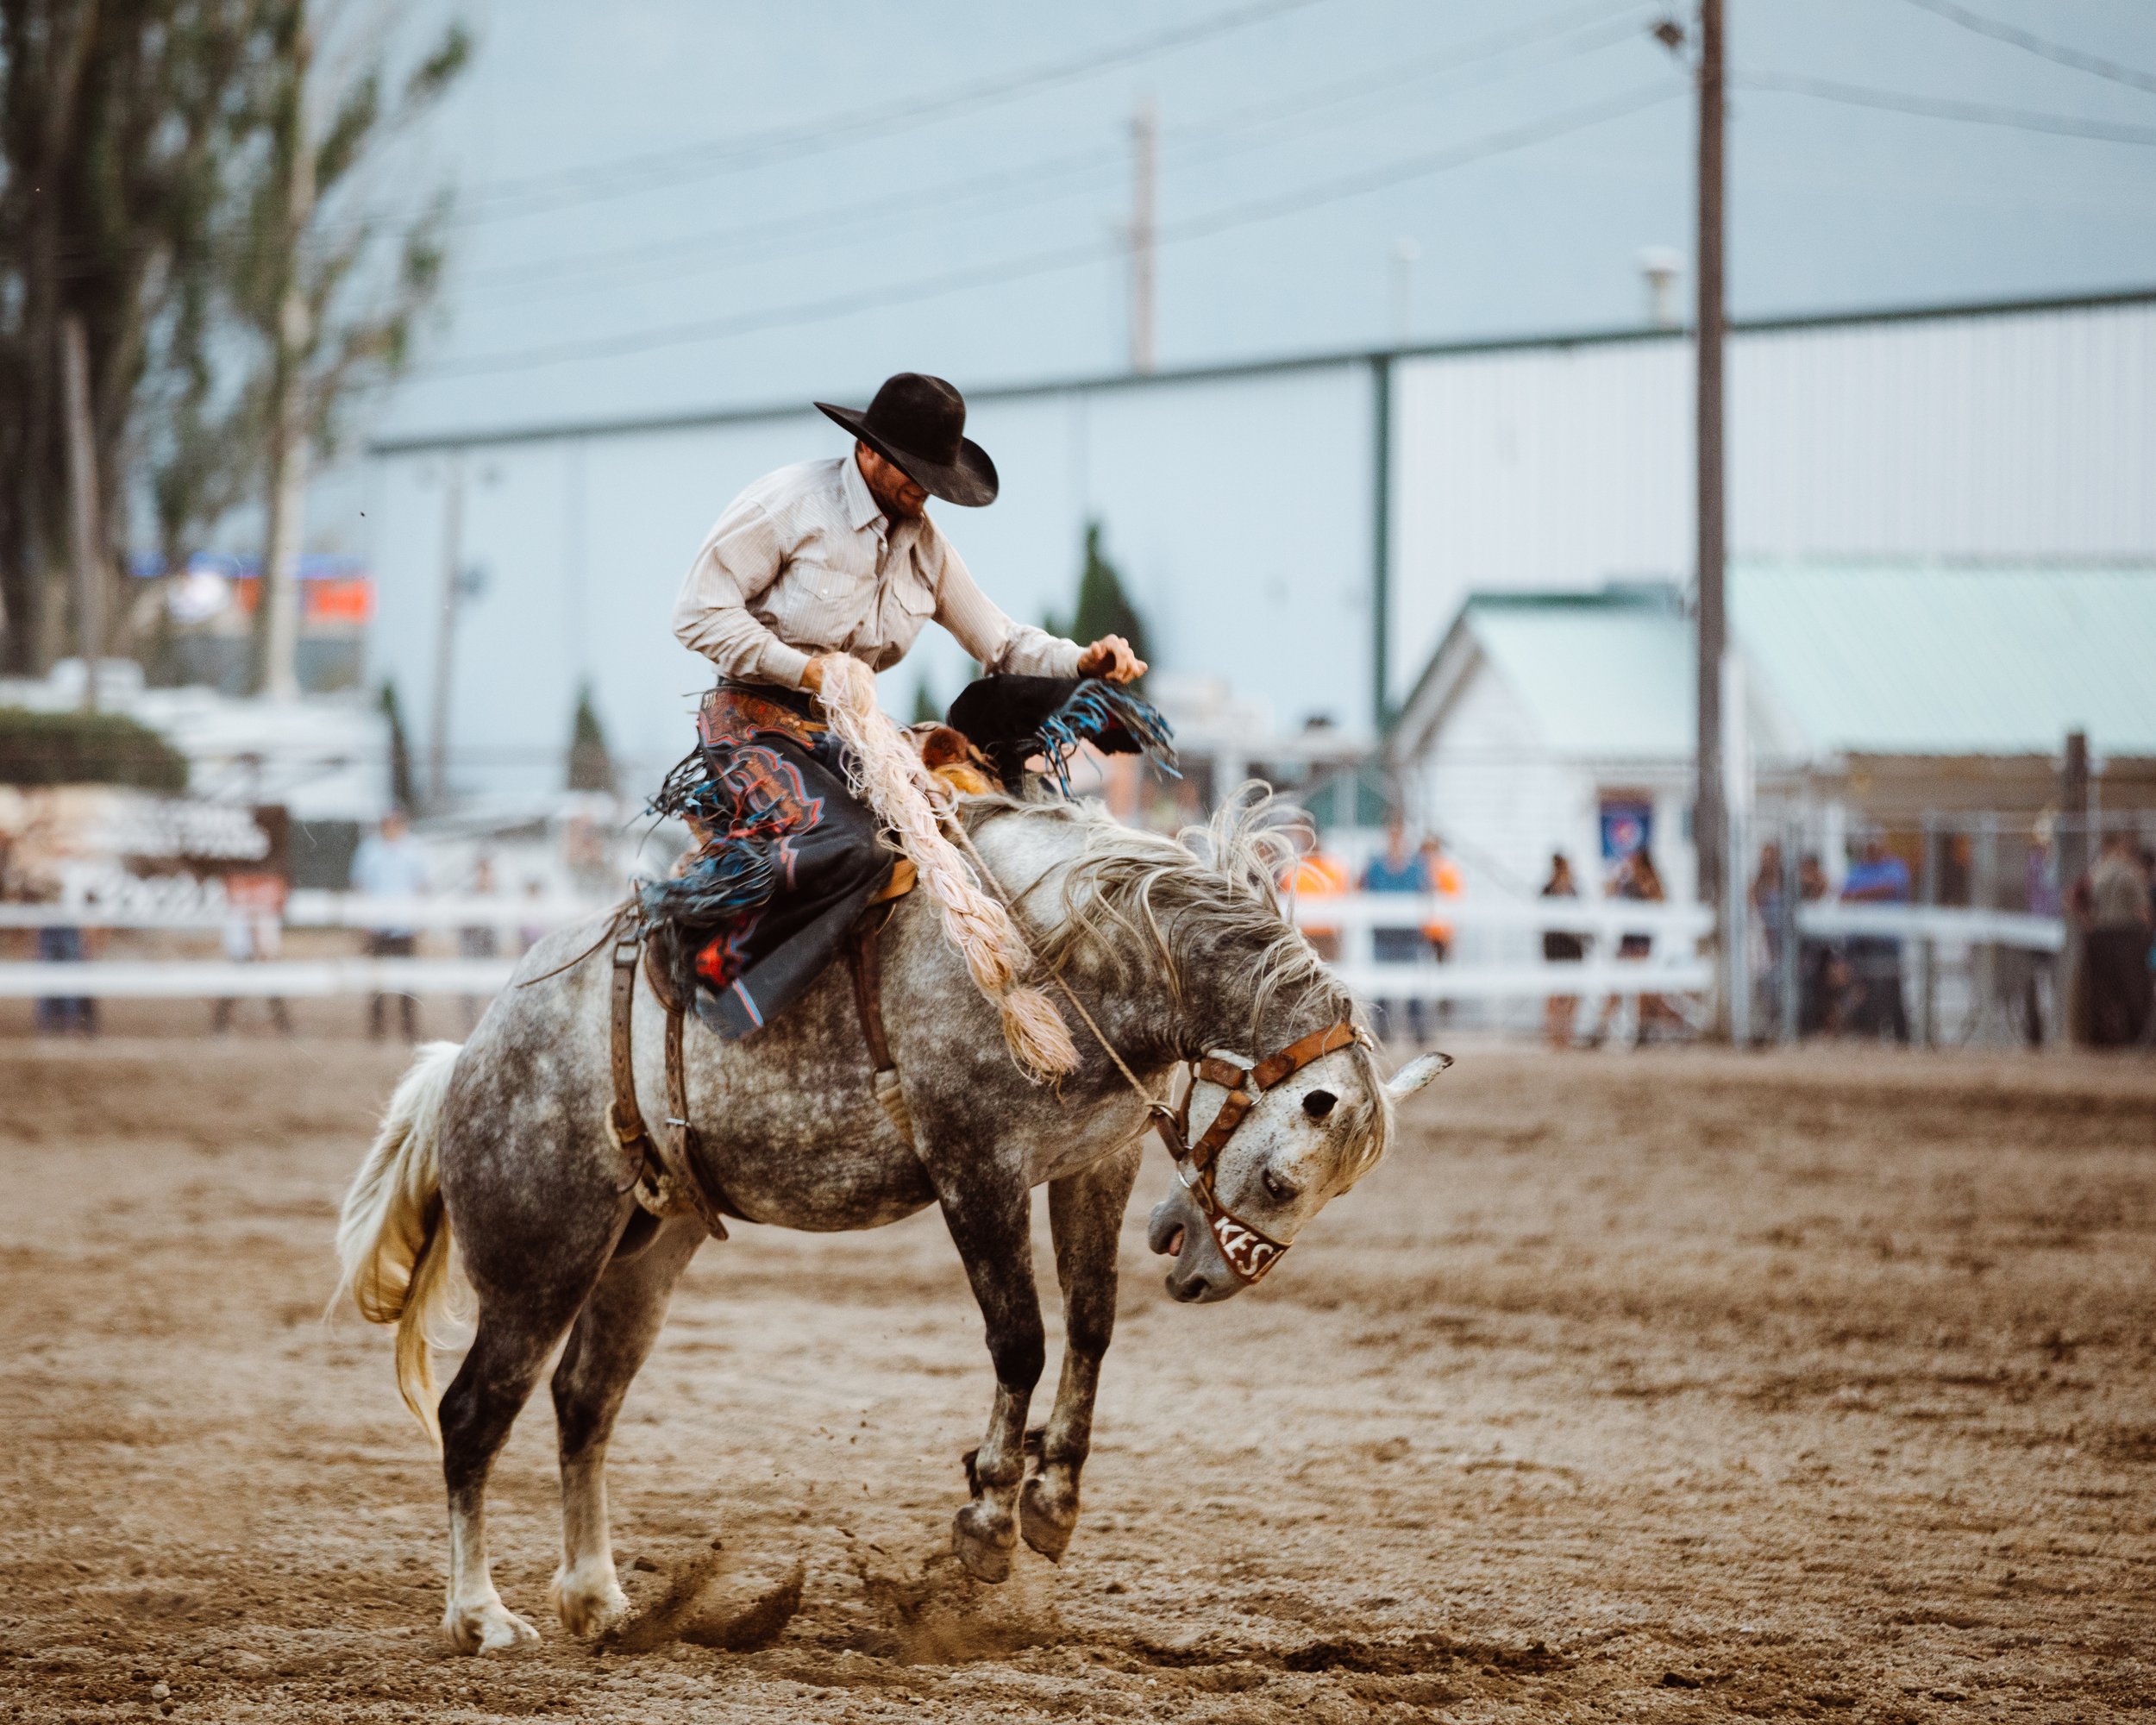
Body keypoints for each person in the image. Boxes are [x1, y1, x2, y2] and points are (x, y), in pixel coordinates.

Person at [670, 372, 1142, 1038]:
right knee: (847, 847)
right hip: (751, 721)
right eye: (915, 472)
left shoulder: (925, 546)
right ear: (869, 453)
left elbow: (999, 639)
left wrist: (1081, 659)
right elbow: (698, 613)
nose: (925, 490)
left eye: (934, 475)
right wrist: (807, 669)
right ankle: (713, 958)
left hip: (849, 733)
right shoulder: (788, 507)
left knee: (959, 832)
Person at [351, 809, 428, 1042]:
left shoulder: (413, 851)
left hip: (405, 927)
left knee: (408, 983)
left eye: (396, 823)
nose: (392, 828)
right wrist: (363, 922)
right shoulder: (369, 851)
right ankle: (377, 1030)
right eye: (388, 823)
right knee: (377, 982)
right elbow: (360, 886)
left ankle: (409, 1030)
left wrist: (419, 920)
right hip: (378, 927)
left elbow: (421, 887)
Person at [1359, 819, 1431, 1045]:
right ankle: (1384, 1030)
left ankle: (1417, 1028)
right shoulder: (1376, 865)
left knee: (1414, 986)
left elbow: (1427, 892)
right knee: (1383, 985)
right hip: (1384, 932)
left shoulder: (1417, 866)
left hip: (1409, 933)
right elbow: (1363, 888)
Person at [2083, 831, 2153, 1047]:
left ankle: (2101, 1036)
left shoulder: (2098, 871)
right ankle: (2136, 1036)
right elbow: (2142, 909)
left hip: (2100, 935)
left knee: (2103, 990)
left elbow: (2086, 904)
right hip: (2127, 935)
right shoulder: (2130, 873)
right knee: (2133, 986)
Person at [1840, 834, 1911, 1043]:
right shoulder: (1858, 870)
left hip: (1886, 942)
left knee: (1886, 987)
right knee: (1866, 988)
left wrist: (1859, 896)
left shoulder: (1895, 867)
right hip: (1860, 942)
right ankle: (1874, 1033)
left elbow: (1891, 887)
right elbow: (1844, 896)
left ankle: (1890, 1035)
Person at [1282, 828, 1351, 963]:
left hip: (1329, 936)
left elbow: (1343, 897)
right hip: (1304, 936)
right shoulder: (1294, 869)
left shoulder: (1334, 867)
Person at [1539, 853, 1585, 1049]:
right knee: (1557, 993)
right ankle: (1553, 1035)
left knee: (1572, 992)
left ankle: (1566, 1034)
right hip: (1556, 947)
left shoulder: (1574, 890)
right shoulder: (1548, 890)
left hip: (1573, 947)